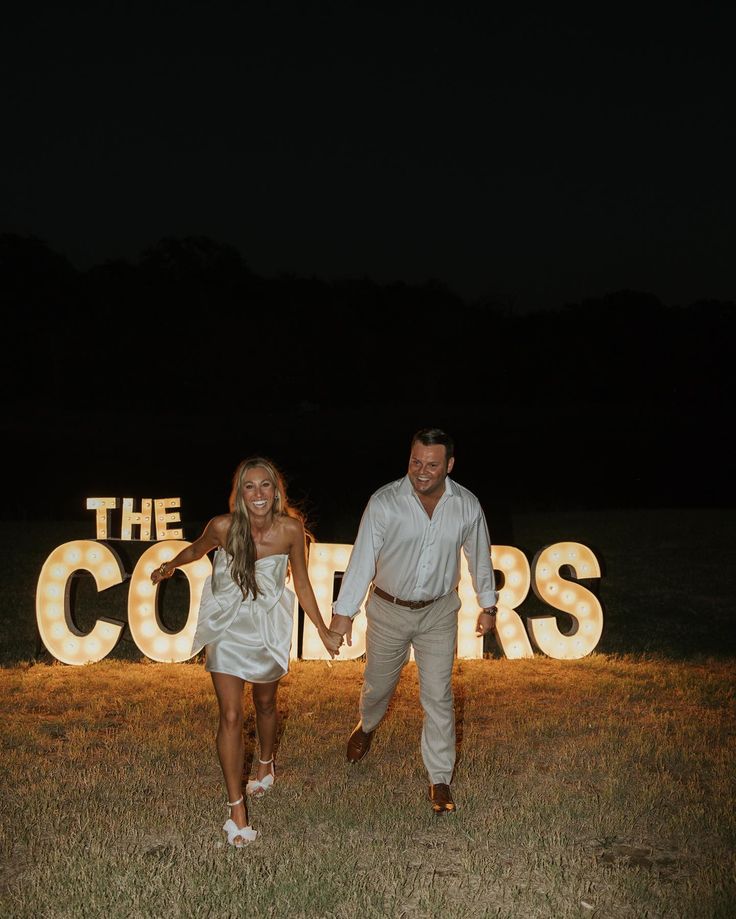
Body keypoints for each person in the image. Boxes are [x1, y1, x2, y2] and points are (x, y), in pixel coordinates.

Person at [151, 456, 343, 847]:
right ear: (239, 493)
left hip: (268, 624)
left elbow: (302, 583)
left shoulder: (291, 530)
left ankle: (266, 762)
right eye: (250, 487)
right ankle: (236, 809)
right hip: (226, 623)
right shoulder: (222, 527)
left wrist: (323, 630)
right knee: (232, 713)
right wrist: (170, 564)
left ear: (276, 491)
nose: (258, 494)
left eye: (265, 486)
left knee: (266, 703)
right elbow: (196, 550)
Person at [329, 428, 498, 815]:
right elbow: (362, 561)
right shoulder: (385, 502)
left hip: (439, 612)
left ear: (449, 465)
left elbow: (479, 557)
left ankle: (439, 779)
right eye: (415, 462)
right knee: (377, 689)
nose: (421, 471)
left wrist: (487, 606)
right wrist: (343, 616)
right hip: (388, 610)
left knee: (438, 695)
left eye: (432, 464)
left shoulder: (467, 506)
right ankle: (366, 726)